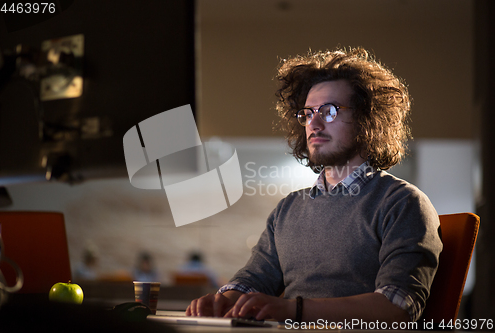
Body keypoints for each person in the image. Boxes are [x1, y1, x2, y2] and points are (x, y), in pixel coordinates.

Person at [186, 47, 442, 324]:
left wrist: (291, 310)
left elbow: (397, 307)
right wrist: (223, 300)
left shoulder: (402, 202)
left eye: (328, 111)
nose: (314, 124)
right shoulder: (288, 208)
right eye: (307, 113)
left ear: (368, 120)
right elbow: (254, 280)